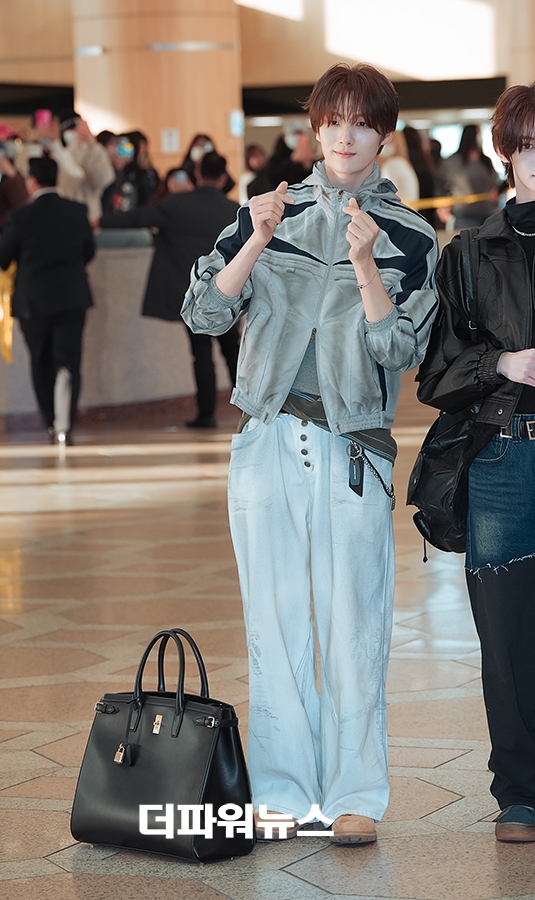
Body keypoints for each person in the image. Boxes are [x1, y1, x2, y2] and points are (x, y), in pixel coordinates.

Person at [182, 63, 438, 843]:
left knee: (355, 620)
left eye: (361, 123)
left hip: (352, 448)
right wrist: (255, 241)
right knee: (274, 620)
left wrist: (366, 269)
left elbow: (404, 349)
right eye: (333, 121)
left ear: (383, 136)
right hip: (266, 440)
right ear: (316, 129)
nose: (345, 136)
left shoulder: (412, 235)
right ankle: (286, 791)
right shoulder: (269, 210)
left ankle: (357, 793)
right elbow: (202, 313)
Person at [416, 82, 535, 843]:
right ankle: (519, 791)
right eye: (528, 144)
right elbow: (437, 375)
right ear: (506, 153)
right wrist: (508, 363)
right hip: (504, 459)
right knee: (508, 636)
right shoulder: (468, 252)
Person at [101, 151, 240, 428]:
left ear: (197, 174)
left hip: (196, 294)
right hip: (229, 294)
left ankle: (206, 414)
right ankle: (249, 410)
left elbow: (136, 218)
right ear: (223, 177)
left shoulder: (176, 204)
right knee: (232, 351)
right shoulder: (232, 209)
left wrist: (99, 221)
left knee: (201, 354)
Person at [0, 155, 95, 445]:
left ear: (32, 181)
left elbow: (2, 258)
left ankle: (51, 423)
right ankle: (65, 424)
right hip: (73, 296)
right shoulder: (77, 211)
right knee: (68, 361)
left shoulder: (20, 216)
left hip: (32, 301)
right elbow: (88, 252)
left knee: (40, 362)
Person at [439, 124, 500, 227]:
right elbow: (440, 183)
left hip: (488, 212)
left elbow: (494, 182)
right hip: (464, 214)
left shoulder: (485, 161)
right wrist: (442, 206)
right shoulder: (453, 162)